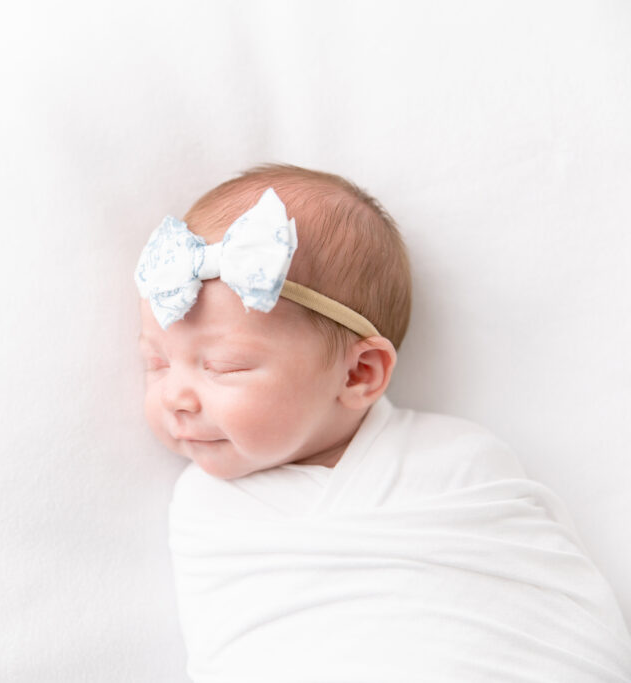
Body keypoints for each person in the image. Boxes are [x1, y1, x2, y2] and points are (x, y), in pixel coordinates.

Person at [134, 164, 631, 682]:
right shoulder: (207, 512)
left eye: (224, 367)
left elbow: (553, 617)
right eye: (157, 363)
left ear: (359, 373)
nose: (175, 397)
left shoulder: (460, 461)